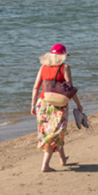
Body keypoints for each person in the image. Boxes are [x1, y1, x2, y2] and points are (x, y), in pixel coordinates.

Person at [31, 43, 84, 172]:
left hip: (42, 103)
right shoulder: (65, 67)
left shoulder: (43, 67)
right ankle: (45, 165)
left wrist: (33, 105)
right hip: (58, 105)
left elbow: (36, 87)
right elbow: (69, 88)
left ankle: (63, 159)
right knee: (55, 133)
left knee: (55, 133)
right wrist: (78, 103)